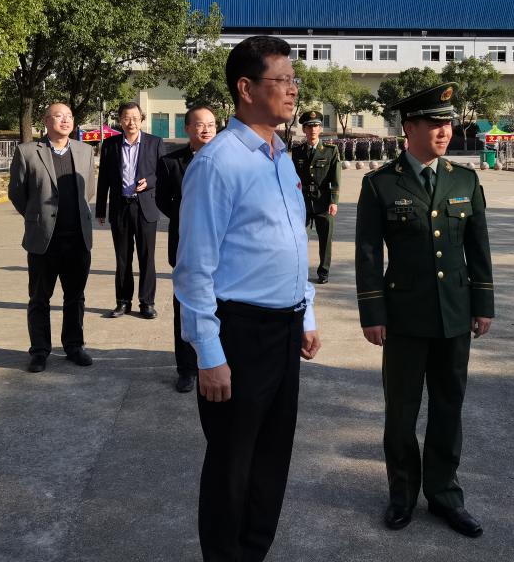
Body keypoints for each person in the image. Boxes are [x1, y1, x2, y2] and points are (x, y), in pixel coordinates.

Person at [174, 36, 322, 561]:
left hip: (284, 329)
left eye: (293, 80)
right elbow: (194, 269)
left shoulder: (280, 156)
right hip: (239, 334)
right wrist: (209, 354)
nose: (293, 90)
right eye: (282, 80)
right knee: (232, 465)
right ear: (246, 88)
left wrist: (306, 311)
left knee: (272, 458)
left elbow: (292, 241)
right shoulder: (218, 163)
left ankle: (253, 552)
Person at [355, 82, 495, 538]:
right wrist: (373, 313)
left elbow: (479, 249)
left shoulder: (464, 180)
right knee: (401, 411)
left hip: (454, 313)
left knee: (449, 408)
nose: (444, 131)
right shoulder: (380, 183)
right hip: (404, 317)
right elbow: (368, 254)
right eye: (434, 123)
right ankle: (402, 494)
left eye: (447, 123)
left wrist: (483, 303)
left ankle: (445, 494)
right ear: (409, 128)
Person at [8, 102, 96, 373]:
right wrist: (36, 216)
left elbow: (88, 190)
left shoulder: (85, 151)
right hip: (43, 240)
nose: (65, 120)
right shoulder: (27, 152)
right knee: (39, 298)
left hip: (77, 239)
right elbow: (17, 192)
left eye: (69, 116)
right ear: (46, 121)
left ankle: (74, 345)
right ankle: (39, 351)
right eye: (58, 116)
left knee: (75, 297)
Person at [156, 105, 218, 393]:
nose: (206, 129)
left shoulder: (228, 159)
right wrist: (189, 218)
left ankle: (217, 362)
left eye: (211, 124)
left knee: (222, 306)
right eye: (200, 124)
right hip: (185, 244)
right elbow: (161, 200)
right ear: (188, 128)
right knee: (186, 306)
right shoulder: (171, 162)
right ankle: (187, 369)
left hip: (222, 246)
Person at [96, 102, 162, 319]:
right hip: (120, 208)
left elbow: (163, 173)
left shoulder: (154, 142)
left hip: (145, 208)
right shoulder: (110, 145)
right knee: (122, 258)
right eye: (126, 118)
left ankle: (147, 303)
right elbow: (103, 179)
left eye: (135, 117)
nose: (131, 122)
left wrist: (149, 181)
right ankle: (123, 302)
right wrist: (100, 210)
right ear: (120, 120)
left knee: (146, 257)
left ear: (141, 119)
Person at [291, 110, 341, 284]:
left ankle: (324, 272)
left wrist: (334, 201)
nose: (313, 129)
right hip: (303, 202)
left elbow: (335, 178)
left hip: (324, 201)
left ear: (320, 129)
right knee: (299, 239)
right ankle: (300, 271)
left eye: (316, 126)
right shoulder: (297, 151)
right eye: (309, 126)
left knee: (325, 240)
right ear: (304, 129)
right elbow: (293, 178)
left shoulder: (330, 151)